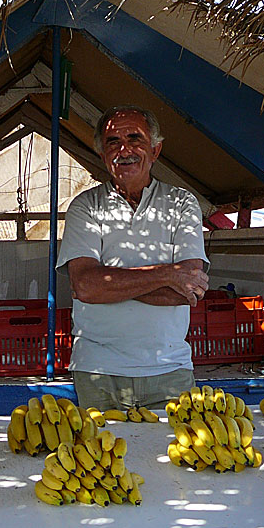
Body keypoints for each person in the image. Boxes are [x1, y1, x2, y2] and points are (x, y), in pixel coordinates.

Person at [56, 105, 210, 410]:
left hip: (170, 370)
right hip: (98, 371)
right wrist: (168, 274)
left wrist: (113, 284)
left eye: (134, 138)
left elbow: (190, 290)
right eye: (112, 141)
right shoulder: (85, 207)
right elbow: (86, 286)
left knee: (176, 456)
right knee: (100, 457)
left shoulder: (182, 204)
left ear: (155, 150)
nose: (124, 149)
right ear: (102, 154)